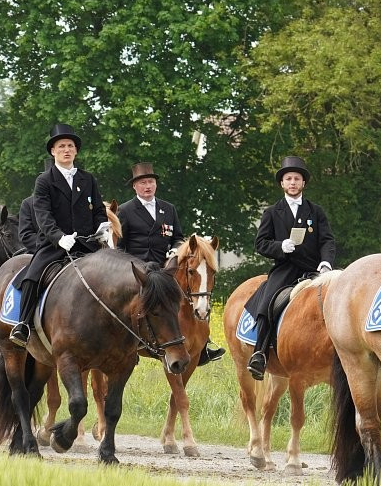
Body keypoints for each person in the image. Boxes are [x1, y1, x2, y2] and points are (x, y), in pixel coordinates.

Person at [10, 124, 110, 347]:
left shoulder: (88, 179)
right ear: (53, 151)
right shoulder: (44, 181)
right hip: (55, 245)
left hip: (86, 244)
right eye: (62, 146)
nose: (67, 150)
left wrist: (102, 227)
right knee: (31, 276)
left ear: (76, 151)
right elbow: (43, 215)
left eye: (70, 146)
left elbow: (99, 210)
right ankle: (23, 324)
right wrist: (58, 237)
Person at [117, 162, 225, 366]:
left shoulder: (168, 209)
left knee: (193, 293)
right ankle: (128, 341)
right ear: (135, 187)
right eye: (142, 183)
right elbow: (120, 247)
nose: (147, 186)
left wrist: (176, 249)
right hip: (137, 268)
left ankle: (203, 344)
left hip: (165, 266)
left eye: (150, 182)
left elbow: (178, 237)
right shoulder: (126, 210)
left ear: (155, 184)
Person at [245, 156, 335, 380]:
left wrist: (326, 263)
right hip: (285, 269)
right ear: (282, 184)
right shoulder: (272, 212)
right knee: (267, 304)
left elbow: (327, 241)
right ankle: (260, 353)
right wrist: (279, 246)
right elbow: (260, 243)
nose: (293, 182)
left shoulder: (316, 211)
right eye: (288, 179)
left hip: (314, 270)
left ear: (303, 183)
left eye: (297, 178)